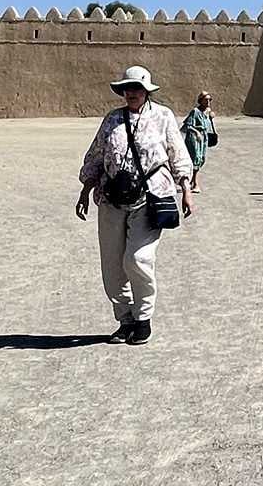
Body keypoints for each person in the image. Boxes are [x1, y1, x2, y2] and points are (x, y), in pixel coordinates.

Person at [75, 66, 194, 346]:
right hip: (112, 199)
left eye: (137, 88)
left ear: (146, 91)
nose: (131, 93)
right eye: (127, 88)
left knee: (137, 258)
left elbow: (178, 152)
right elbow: (96, 154)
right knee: (113, 265)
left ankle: (143, 318)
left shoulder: (163, 116)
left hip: (150, 198)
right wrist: (85, 189)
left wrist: (186, 188)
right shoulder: (113, 119)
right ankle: (125, 320)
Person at [182, 91, 214, 193]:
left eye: (210, 99)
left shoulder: (207, 112)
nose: (208, 101)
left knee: (202, 159)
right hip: (194, 139)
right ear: (201, 101)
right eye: (206, 99)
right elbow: (188, 125)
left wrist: (211, 118)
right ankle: (196, 184)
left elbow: (208, 126)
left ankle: (192, 182)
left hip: (203, 139)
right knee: (196, 159)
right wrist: (197, 133)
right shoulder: (195, 112)